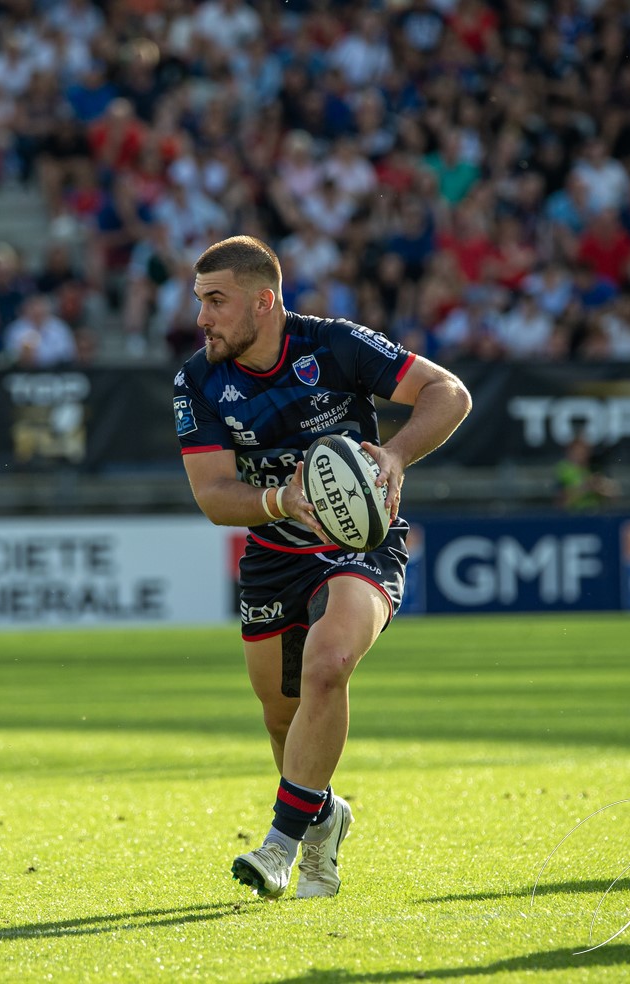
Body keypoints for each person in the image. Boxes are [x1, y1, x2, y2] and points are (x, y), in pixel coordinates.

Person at [174, 235, 471, 899]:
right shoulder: (197, 380)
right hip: (274, 554)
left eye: (215, 301)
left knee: (328, 663)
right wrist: (282, 499)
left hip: (362, 542)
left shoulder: (334, 345)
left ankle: (282, 848)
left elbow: (449, 394)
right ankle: (322, 815)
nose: (203, 318)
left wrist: (393, 458)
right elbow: (213, 494)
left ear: (264, 301)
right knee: (282, 716)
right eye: (199, 302)